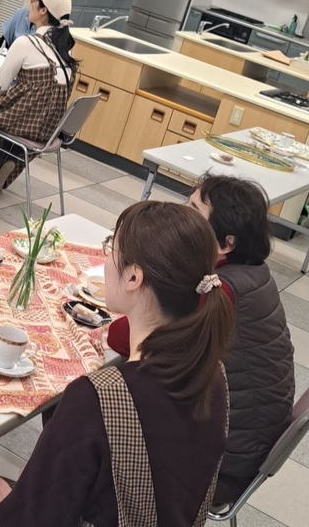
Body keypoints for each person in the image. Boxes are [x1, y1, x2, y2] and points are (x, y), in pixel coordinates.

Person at [0, 201, 235, 527]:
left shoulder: (99, 397)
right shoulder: (214, 375)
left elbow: (33, 521)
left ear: (134, 276)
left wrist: (8, 507)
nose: (106, 260)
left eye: (111, 248)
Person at [108, 174, 295, 505]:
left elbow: (126, 339)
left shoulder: (217, 289)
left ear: (226, 244)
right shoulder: (254, 273)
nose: (182, 214)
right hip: (246, 445)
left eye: (194, 210)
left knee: (86, 399)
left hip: (219, 465)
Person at [0, 0, 77, 196]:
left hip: (21, 122)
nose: (29, 4)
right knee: (0, 118)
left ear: (43, 11)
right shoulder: (66, 56)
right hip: (47, 131)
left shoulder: (27, 43)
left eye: (34, 1)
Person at [1, 0, 65, 49]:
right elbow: (3, 43)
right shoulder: (22, 14)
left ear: (44, 9)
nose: (31, 1)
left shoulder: (57, 35)